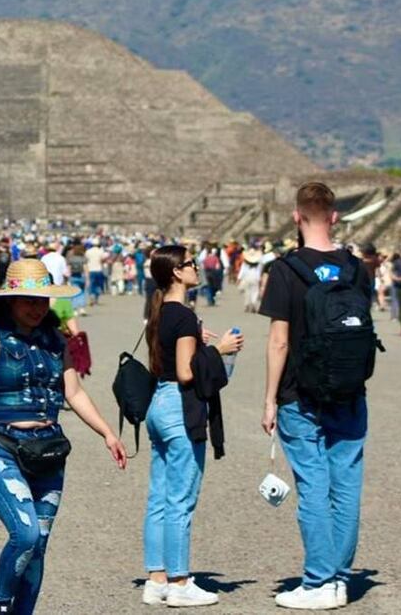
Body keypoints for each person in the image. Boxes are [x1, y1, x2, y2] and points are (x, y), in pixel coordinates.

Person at [0, 259, 128, 614]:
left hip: (48, 451)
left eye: (42, 299)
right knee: (26, 534)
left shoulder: (56, 340)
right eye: (28, 299)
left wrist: (107, 433)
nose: (36, 307)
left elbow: (74, 393)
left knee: (40, 544)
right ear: (10, 300)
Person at [259, 182, 374, 610]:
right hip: (349, 390)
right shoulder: (355, 268)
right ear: (334, 216)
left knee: (313, 488)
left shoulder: (286, 270)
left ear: (295, 217)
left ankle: (319, 580)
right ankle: (340, 577)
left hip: (299, 394)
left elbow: (279, 341)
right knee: (345, 487)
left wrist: (270, 398)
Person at [140, 247, 242, 608]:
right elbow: (186, 372)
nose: (196, 267)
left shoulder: (159, 312)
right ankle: (179, 583)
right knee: (180, 501)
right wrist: (221, 350)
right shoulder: (183, 315)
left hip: (157, 404)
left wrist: (200, 340)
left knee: (159, 498)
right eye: (189, 264)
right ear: (175, 273)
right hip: (179, 408)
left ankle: (156, 579)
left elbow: (166, 362)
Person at [237, 247, 262, 313]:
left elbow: (242, 272)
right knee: (255, 292)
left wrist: (239, 279)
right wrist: (260, 281)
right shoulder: (258, 264)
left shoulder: (245, 263)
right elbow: (258, 273)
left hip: (246, 278)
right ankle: (254, 303)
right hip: (255, 278)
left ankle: (247, 305)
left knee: (247, 292)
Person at [85, 239, 107, 305]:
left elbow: (86, 260)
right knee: (98, 285)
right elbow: (103, 260)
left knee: (91, 284)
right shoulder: (101, 251)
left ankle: (91, 296)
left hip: (91, 269)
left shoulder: (88, 251)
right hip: (99, 269)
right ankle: (96, 299)